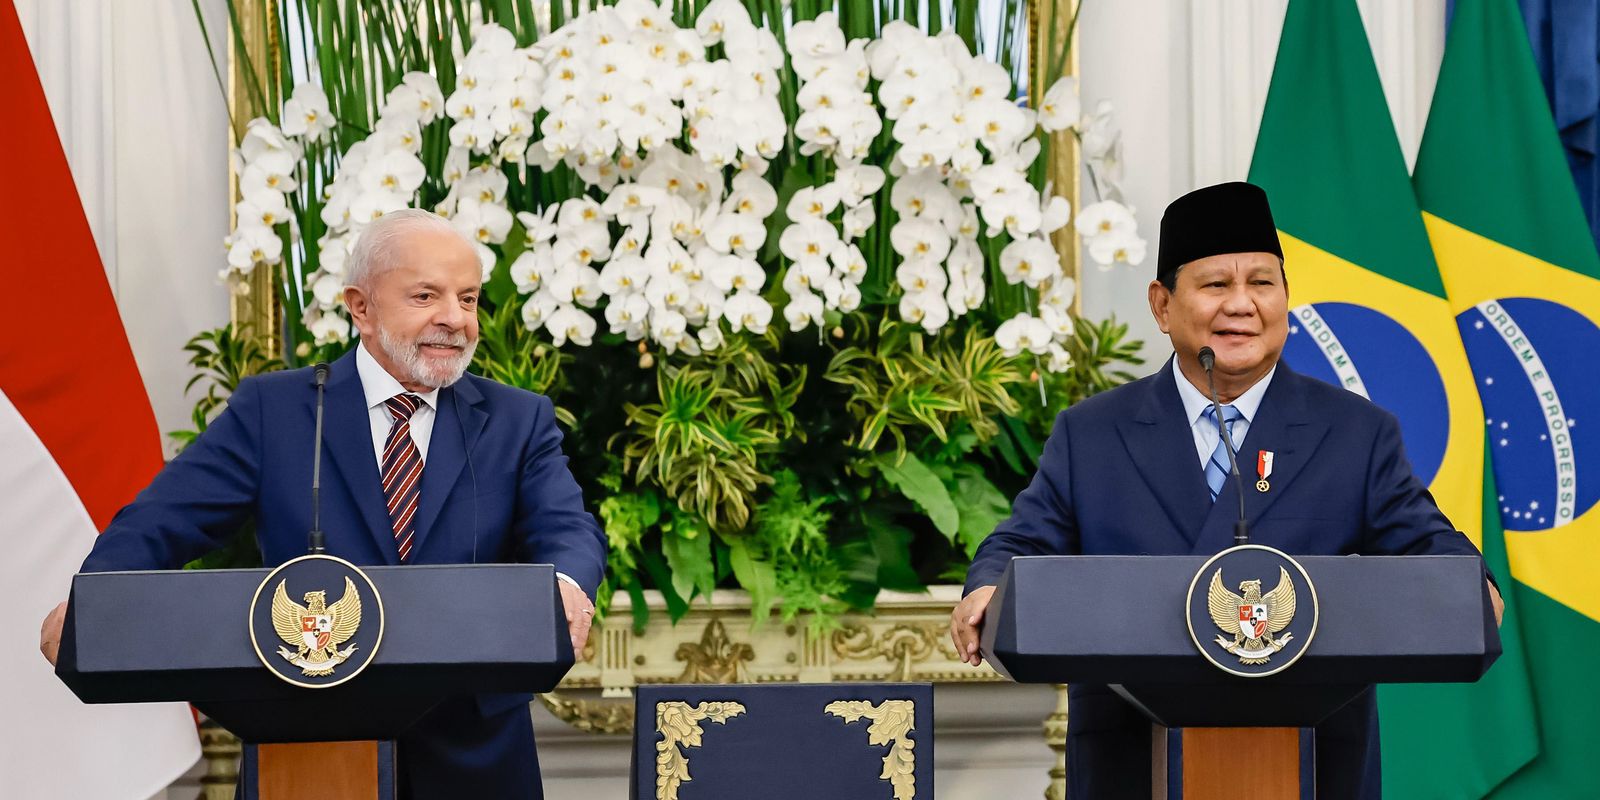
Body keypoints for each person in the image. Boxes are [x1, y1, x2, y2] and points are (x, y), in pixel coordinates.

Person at [949, 182, 1503, 799]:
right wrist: (988, 586)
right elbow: (1023, 541)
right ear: (1162, 305)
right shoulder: (1094, 433)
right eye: (1216, 285)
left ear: (1286, 299)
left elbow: (1431, 548)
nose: (1242, 305)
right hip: (1131, 763)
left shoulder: (1356, 433)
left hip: (1313, 765)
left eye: (1262, 283)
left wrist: (1470, 587)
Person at [38, 208, 607, 798]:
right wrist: (95, 600)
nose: (454, 319)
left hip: (475, 757)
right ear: (361, 307)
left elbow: (567, 526)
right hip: (308, 742)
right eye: (426, 296)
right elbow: (162, 521)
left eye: (468, 299)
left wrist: (568, 584)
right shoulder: (275, 411)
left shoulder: (518, 419)